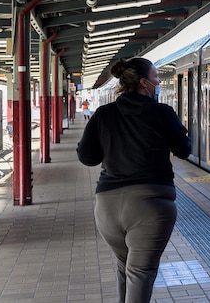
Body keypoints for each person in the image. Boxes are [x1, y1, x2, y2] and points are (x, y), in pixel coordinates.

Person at [77, 57, 192, 302]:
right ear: (143, 83)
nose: (159, 82)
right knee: (141, 273)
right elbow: (184, 150)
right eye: (156, 77)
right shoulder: (162, 112)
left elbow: (87, 157)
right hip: (149, 206)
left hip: (107, 208)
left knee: (125, 268)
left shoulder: (103, 114)